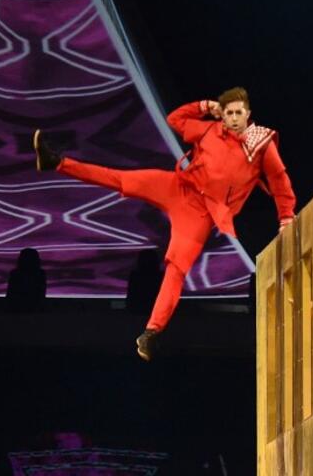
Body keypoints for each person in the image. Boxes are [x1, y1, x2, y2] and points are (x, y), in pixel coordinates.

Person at [33, 87, 296, 360]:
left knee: (176, 268)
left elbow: (279, 180)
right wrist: (204, 105)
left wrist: (286, 216)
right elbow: (175, 120)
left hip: (201, 213)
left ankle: (151, 333)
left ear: (247, 114)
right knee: (123, 180)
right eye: (228, 112)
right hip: (178, 187)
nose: (232, 117)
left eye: (238, 112)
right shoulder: (210, 130)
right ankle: (57, 163)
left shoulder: (260, 142)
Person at [5, 247, 46, 313]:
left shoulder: (15, 273)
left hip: (15, 308)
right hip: (34, 309)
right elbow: (41, 293)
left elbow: (10, 292)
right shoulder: (40, 274)